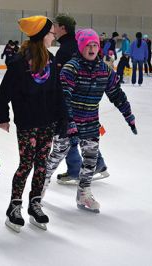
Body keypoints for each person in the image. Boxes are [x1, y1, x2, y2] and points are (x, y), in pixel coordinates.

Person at [45, 28, 137, 213]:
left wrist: (129, 116)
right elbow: (64, 98)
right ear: (81, 47)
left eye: (95, 44)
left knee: (90, 161)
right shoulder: (71, 68)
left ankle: (84, 193)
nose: (92, 48)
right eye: (88, 45)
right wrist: (69, 123)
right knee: (56, 156)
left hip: (90, 123)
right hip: (67, 123)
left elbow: (116, 94)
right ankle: (40, 187)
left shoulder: (105, 70)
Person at [0, 16, 64, 232]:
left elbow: (58, 92)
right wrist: (3, 116)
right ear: (43, 35)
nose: (54, 36)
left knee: (41, 164)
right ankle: (15, 206)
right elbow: (4, 92)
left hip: (47, 122)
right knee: (26, 164)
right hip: (27, 122)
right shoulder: (18, 62)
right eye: (51, 33)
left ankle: (35, 203)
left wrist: (63, 118)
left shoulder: (51, 61)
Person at [50, 13, 109, 186]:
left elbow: (62, 82)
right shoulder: (78, 44)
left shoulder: (66, 49)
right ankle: (98, 163)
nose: (53, 29)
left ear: (62, 28)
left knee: (67, 135)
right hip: (86, 101)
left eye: (55, 25)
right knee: (82, 135)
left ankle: (76, 169)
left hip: (73, 102)